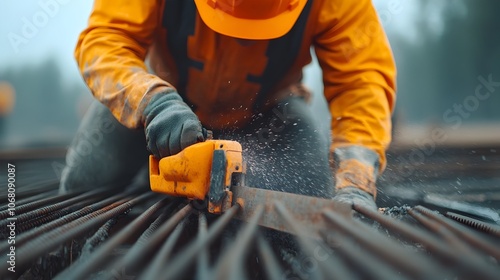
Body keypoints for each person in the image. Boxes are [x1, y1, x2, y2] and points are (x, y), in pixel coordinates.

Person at [61, 0, 396, 210]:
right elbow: (106, 41)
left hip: (270, 116)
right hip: (160, 107)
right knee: (83, 189)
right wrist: (151, 101)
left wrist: (356, 180)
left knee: (317, 206)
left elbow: (361, 83)